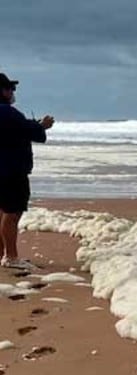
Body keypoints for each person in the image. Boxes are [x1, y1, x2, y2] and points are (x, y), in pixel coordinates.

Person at [0, 72, 54, 269]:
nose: (12, 92)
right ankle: (11, 258)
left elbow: (18, 130)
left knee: (3, 212)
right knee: (12, 214)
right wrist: (43, 126)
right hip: (11, 170)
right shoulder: (7, 112)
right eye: (10, 89)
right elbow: (32, 133)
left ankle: (4, 255)